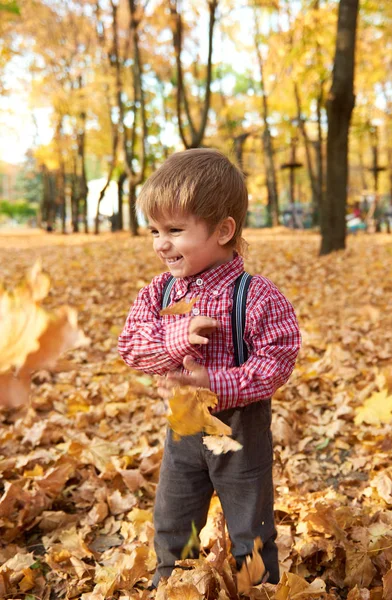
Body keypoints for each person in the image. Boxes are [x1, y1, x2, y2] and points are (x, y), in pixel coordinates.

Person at [118, 148, 301, 587]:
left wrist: (216, 381)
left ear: (223, 230)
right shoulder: (158, 294)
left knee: (249, 528)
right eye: (154, 231)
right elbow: (130, 347)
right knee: (173, 519)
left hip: (240, 430)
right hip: (183, 427)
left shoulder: (254, 296)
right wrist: (177, 339)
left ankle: (257, 587)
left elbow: (277, 360)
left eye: (176, 230)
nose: (162, 243)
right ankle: (175, 585)